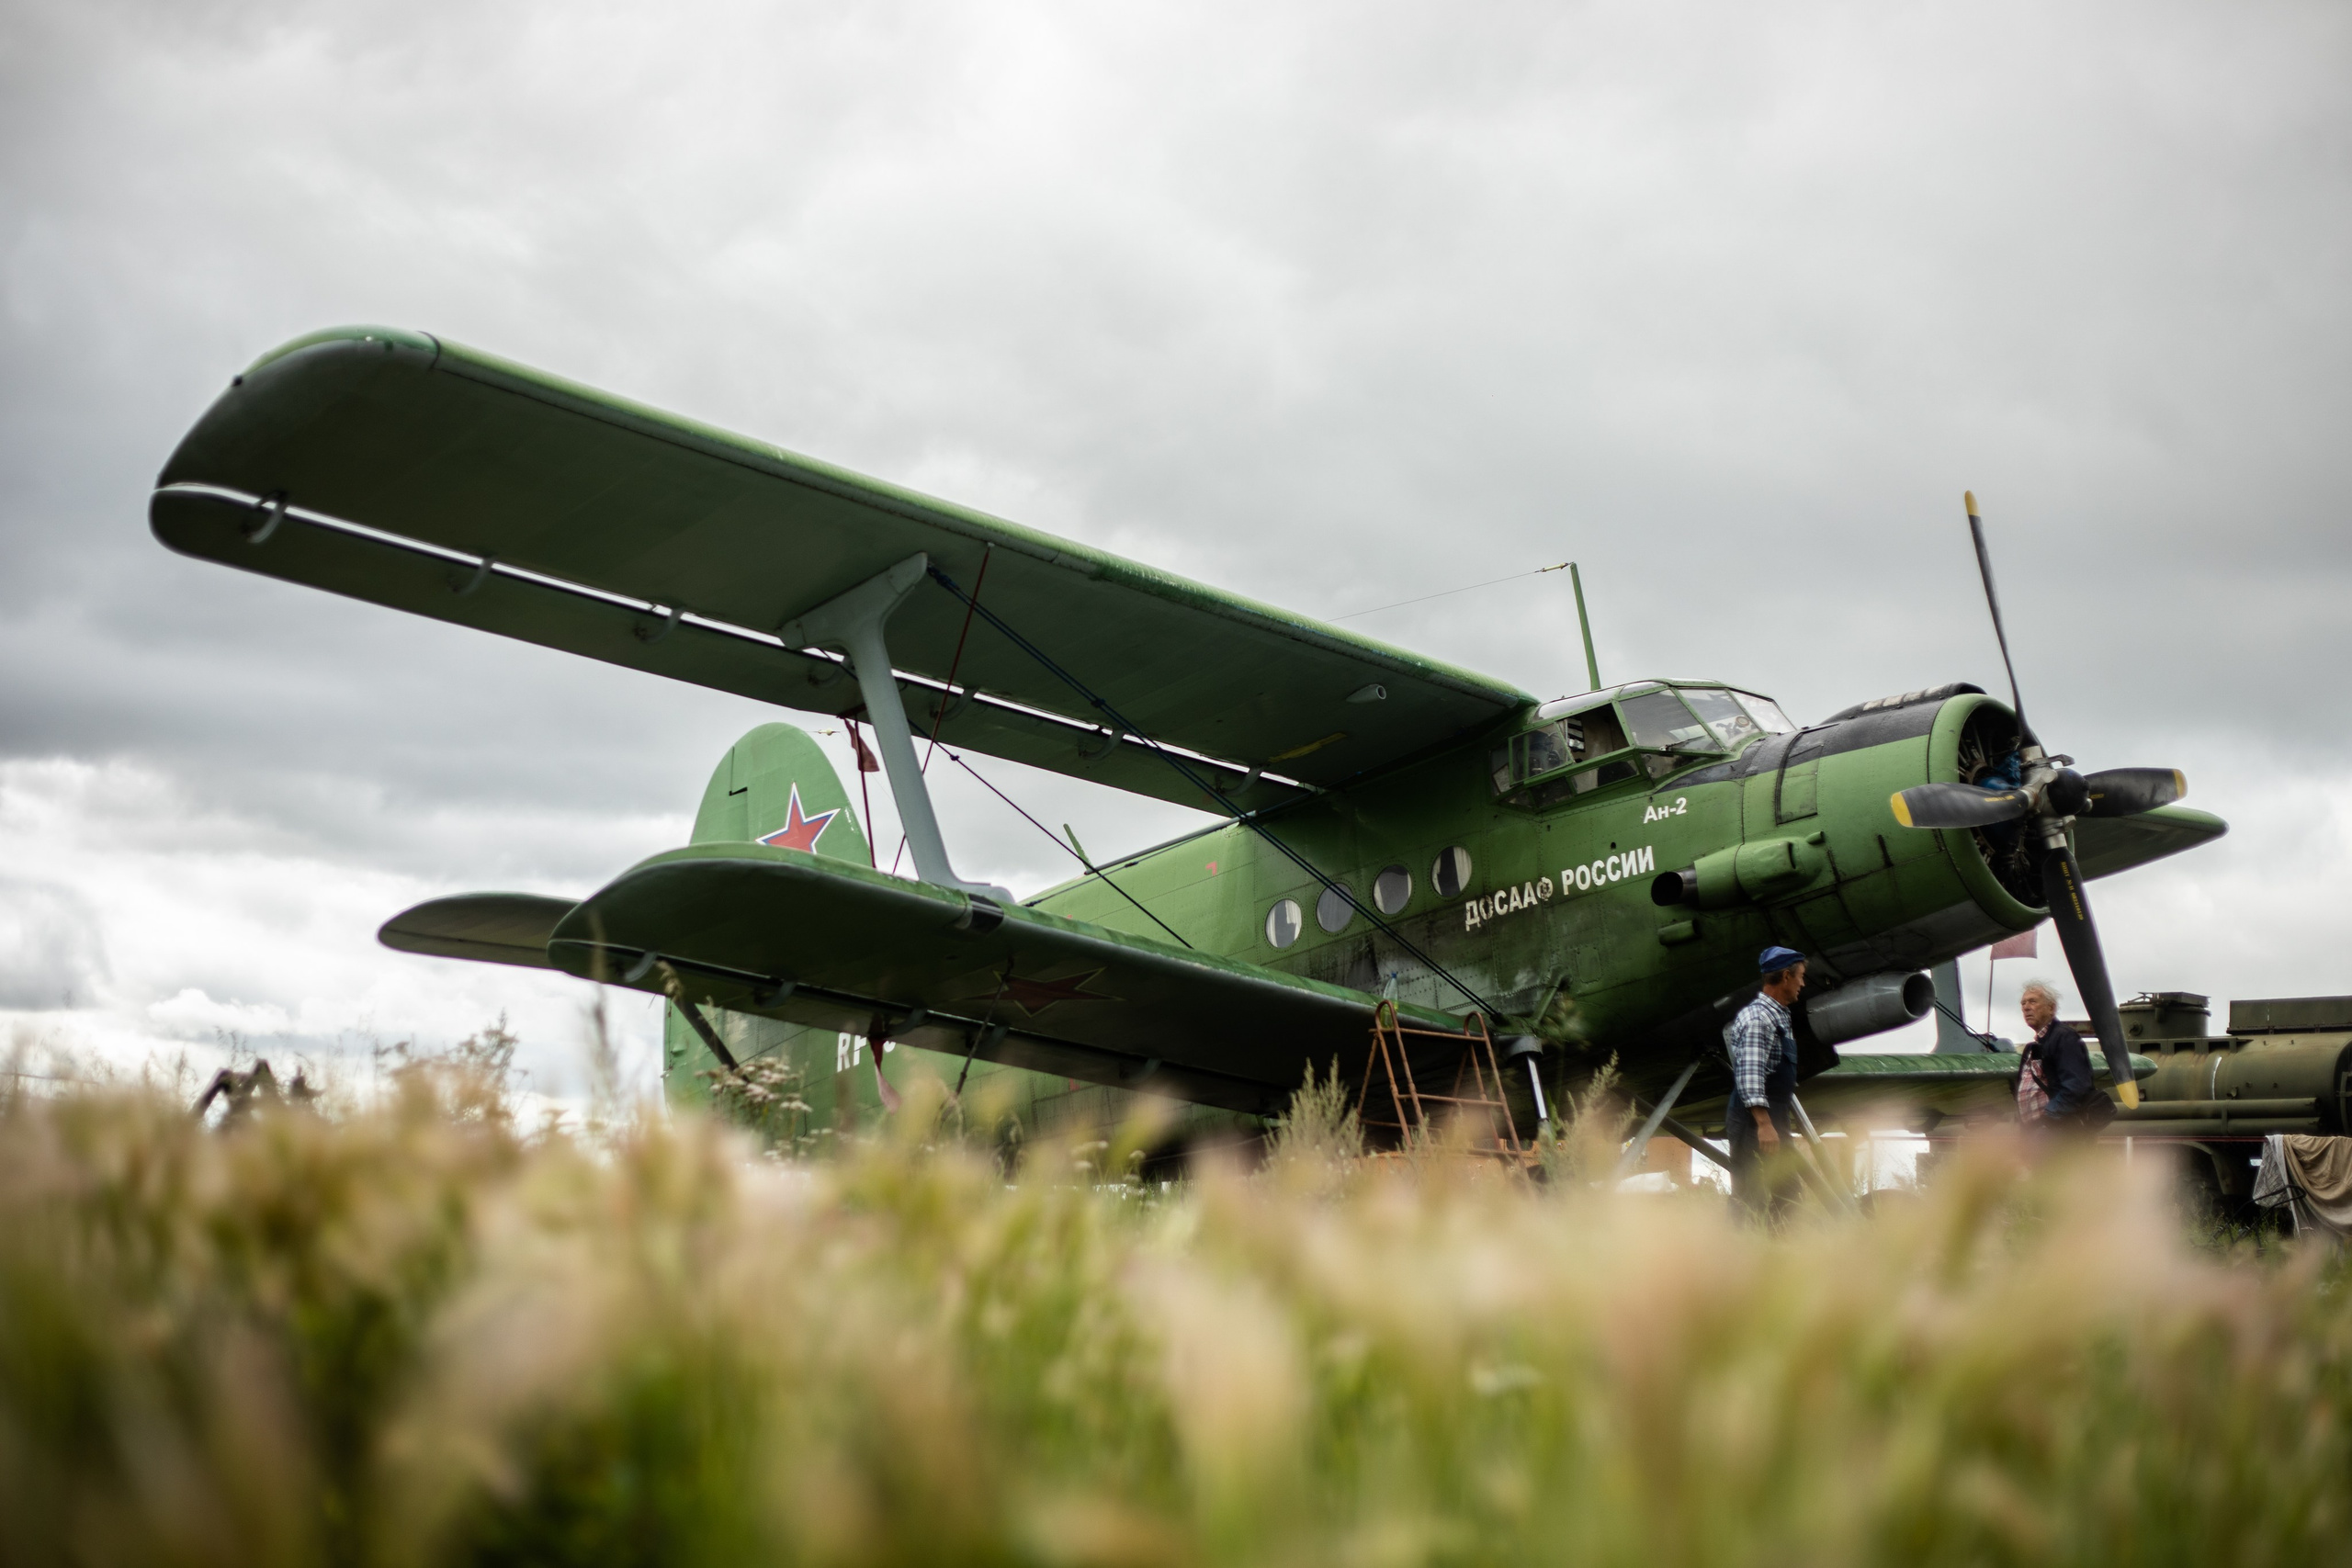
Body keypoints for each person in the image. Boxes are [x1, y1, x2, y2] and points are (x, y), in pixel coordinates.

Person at [1724, 945, 1807, 1214]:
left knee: (1788, 1195)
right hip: (1755, 1122)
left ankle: (1778, 1252)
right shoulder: (1759, 1019)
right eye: (1800, 976)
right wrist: (1764, 1124)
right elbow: (1750, 1075)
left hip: (1772, 1118)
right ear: (1785, 976)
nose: (1802, 983)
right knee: (1751, 1197)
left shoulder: (1777, 1015)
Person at [2017, 979, 2099, 1132]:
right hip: (2039, 1131)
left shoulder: (2064, 1037)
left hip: (2058, 1131)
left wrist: (2048, 1119)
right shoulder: (2034, 1046)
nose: (2026, 1008)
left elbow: (2076, 1085)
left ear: (2051, 1007)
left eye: (2032, 1001)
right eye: (2023, 1003)